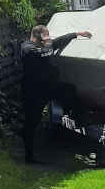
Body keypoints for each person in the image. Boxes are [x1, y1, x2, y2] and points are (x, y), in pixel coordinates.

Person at [20, 24, 91, 162]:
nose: (49, 37)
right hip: (33, 91)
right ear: (38, 35)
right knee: (32, 121)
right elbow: (44, 51)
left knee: (70, 90)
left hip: (48, 87)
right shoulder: (26, 47)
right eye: (46, 35)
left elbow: (58, 41)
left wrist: (76, 33)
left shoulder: (45, 45)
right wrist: (48, 43)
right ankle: (29, 155)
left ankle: (79, 121)